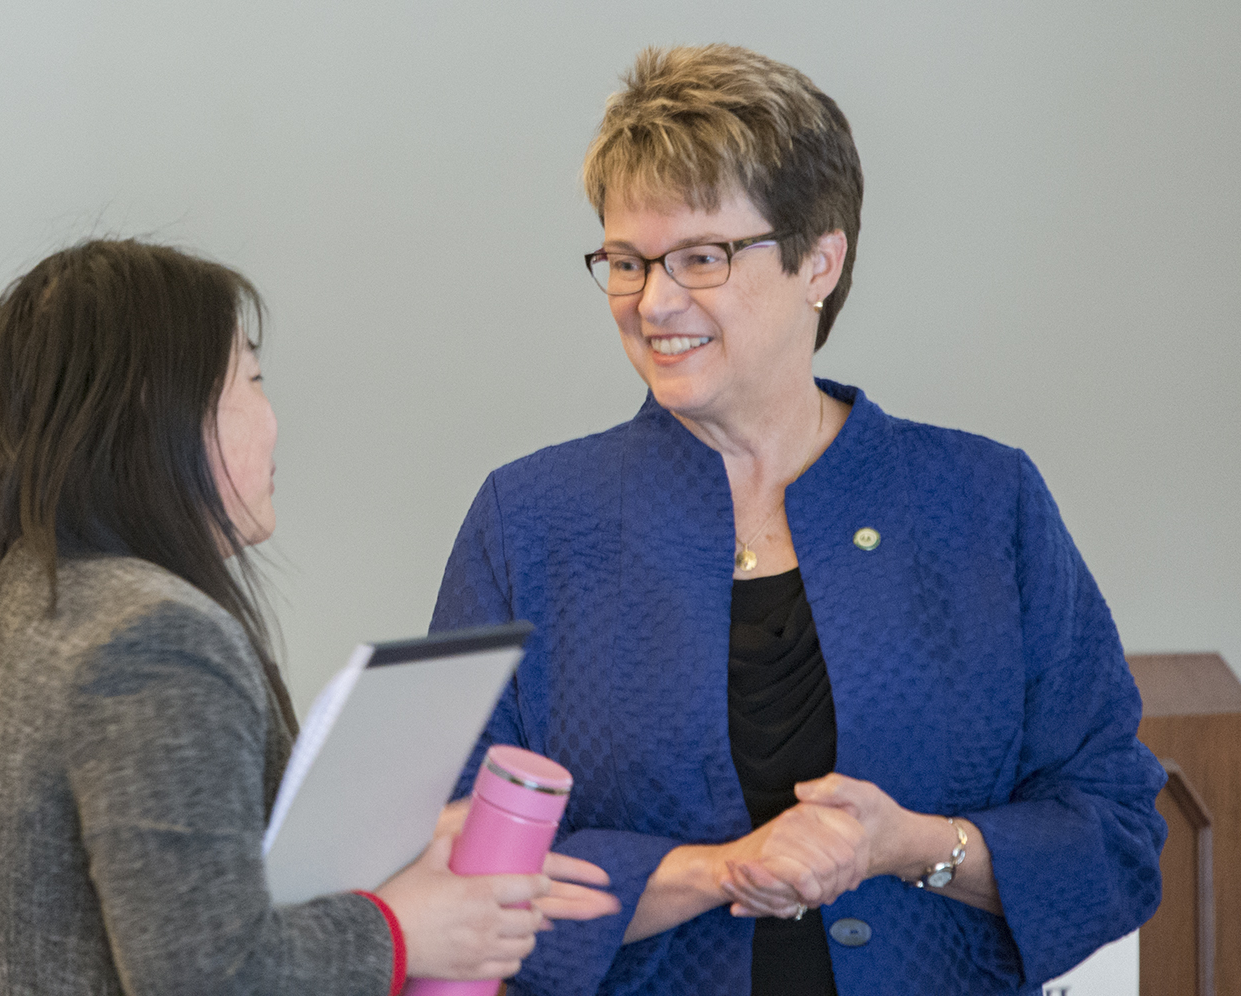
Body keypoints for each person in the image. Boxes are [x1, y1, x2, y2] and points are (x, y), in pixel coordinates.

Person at [431, 44, 1166, 996]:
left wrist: (909, 846)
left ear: (820, 260)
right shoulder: (528, 522)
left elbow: (1115, 836)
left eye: (702, 256)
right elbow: (460, 862)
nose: (654, 302)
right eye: (625, 260)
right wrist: (710, 871)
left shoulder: (987, 503)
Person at [0, 239, 619, 996]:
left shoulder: (20, 597)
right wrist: (402, 929)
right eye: (250, 377)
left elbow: (186, 891)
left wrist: (390, 852)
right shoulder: (150, 638)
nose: (272, 417)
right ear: (162, 411)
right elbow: (209, 974)